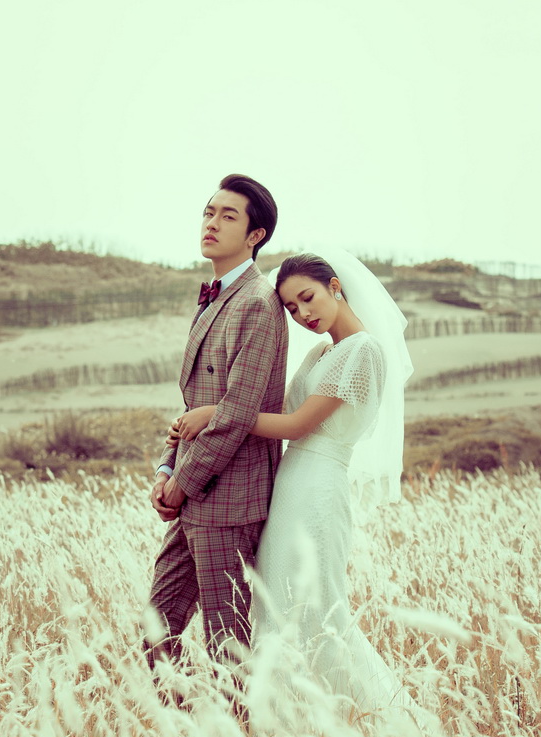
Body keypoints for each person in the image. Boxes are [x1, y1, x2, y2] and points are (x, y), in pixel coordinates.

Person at [168, 250, 413, 709]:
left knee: (316, 608)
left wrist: (215, 414)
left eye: (308, 298)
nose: (302, 314)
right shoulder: (324, 352)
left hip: (317, 490)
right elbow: (274, 410)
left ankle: (368, 715)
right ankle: (289, 719)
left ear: (335, 286)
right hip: (288, 487)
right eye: (292, 308)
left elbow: (296, 425)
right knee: (278, 605)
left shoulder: (362, 350)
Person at [144, 174, 290, 688]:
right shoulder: (216, 296)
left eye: (229, 216)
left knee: (227, 643)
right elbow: (194, 406)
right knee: (158, 629)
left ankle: (238, 735)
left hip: (229, 497)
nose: (212, 223)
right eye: (209, 212)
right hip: (191, 491)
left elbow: (235, 414)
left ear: (256, 235)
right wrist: (166, 470)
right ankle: (181, 729)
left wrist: (181, 485)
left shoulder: (258, 303)